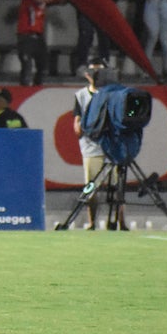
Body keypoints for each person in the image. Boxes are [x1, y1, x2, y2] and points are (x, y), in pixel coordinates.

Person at [72, 61, 121, 230]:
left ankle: (119, 221)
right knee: (91, 187)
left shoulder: (114, 94)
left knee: (116, 187)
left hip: (112, 146)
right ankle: (92, 222)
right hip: (91, 147)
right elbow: (77, 122)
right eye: (94, 72)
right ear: (87, 74)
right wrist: (83, 127)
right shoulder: (81, 95)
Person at [16, 0, 63, 87]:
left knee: (42, 65)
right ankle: (24, 89)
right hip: (26, 35)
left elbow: (59, 1)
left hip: (38, 35)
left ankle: (37, 86)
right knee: (27, 66)